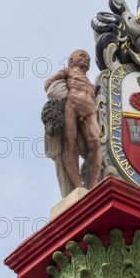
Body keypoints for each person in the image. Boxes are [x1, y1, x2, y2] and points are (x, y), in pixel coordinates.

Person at [44, 50, 102, 193]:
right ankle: (78, 186)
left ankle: (94, 184)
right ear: (71, 60)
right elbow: (47, 84)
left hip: (90, 110)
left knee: (96, 141)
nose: (86, 59)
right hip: (72, 105)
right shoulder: (68, 71)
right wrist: (61, 94)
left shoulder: (90, 82)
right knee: (69, 144)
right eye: (82, 56)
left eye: (88, 58)